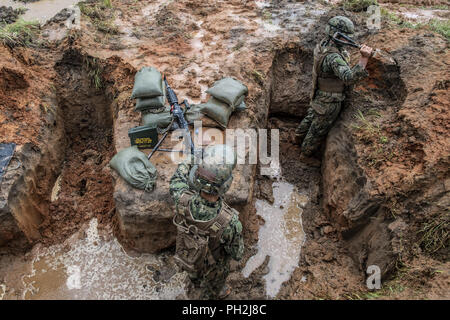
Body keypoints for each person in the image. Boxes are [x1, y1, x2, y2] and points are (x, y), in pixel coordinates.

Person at [169, 144, 244, 299]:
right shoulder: (230, 222)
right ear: (226, 186)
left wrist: (192, 158)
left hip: (188, 255)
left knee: (194, 273)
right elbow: (237, 254)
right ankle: (213, 293)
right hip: (213, 269)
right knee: (212, 288)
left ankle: (194, 283)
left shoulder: (181, 199)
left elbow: (178, 177)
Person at [296, 16, 373, 157]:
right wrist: (364, 58)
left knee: (311, 116)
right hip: (330, 101)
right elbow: (349, 78)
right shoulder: (333, 58)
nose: (347, 41)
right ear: (335, 35)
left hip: (319, 94)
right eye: (344, 37)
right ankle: (305, 155)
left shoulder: (323, 45)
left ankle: (297, 137)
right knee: (318, 131)